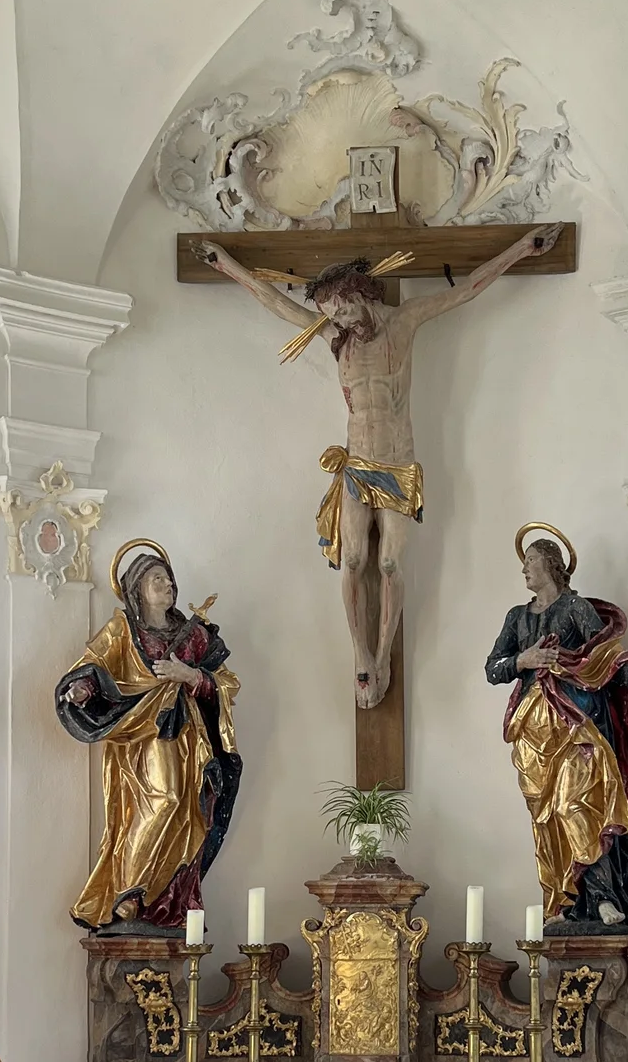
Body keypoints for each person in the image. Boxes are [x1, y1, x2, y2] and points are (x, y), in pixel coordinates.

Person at [201, 225, 554, 708]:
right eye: (329, 313)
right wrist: (228, 266)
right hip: (356, 463)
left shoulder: (405, 320)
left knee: (388, 562)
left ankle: (384, 654)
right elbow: (277, 303)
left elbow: (468, 289)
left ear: (361, 294)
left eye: (342, 308)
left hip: (398, 465)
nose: (337, 319)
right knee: (352, 560)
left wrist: (520, 250)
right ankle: (361, 654)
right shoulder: (335, 336)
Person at [485, 524, 628, 933]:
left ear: (551, 564)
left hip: (578, 722)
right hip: (534, 733)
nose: (525, 570)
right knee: (549, 816)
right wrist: (523, 660)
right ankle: (563, 898)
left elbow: (606, 657)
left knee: (583, 802)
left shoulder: (575, 608)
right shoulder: (517, 618)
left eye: (531, 561)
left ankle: (602, 897)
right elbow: (492, 669)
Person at [56, 538, 242, 930]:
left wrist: (189, 675)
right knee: (163, 801)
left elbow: (227, 684)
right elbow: (95, 670)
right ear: (136, 587)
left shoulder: (193, 634)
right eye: (157, 578)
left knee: (188, 812)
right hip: (142, 735)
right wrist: (81, 690)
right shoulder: (123, 630)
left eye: (169, 578)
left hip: (188, 738)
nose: (167, 585)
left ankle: (158, 902)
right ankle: (129, 892)